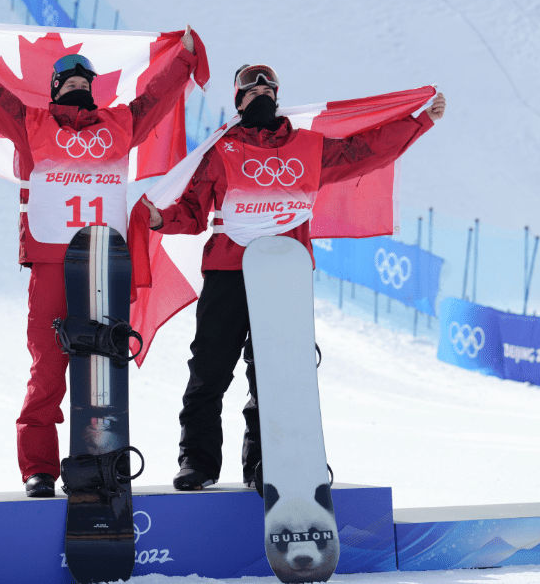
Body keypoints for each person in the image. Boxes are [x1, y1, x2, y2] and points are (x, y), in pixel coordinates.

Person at [141, 65, 447, 491]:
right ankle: (197, 461)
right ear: (239, 102)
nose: (260, 93)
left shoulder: (309, 147)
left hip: (285, 276)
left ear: (278, 97)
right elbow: (192, 211)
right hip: (229, 271)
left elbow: (365, 150)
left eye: (268, 87)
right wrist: (159, 217)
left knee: (275, 375)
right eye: (251, 90)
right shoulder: (221, 149)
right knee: (209, 371)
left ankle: (267, 464)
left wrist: (419, 121)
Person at [0, 15, 200, 497]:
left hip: (104, 260)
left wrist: (183, 58)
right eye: (68, 80)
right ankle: (39, 467)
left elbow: (156, 99)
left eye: (85, 80)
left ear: (94, 90)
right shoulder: (30, 122)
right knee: (49, 366)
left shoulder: (121, 123)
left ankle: (103, 457)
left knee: (104, 364)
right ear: (55, 90)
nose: (78, 83)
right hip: (54, 259)